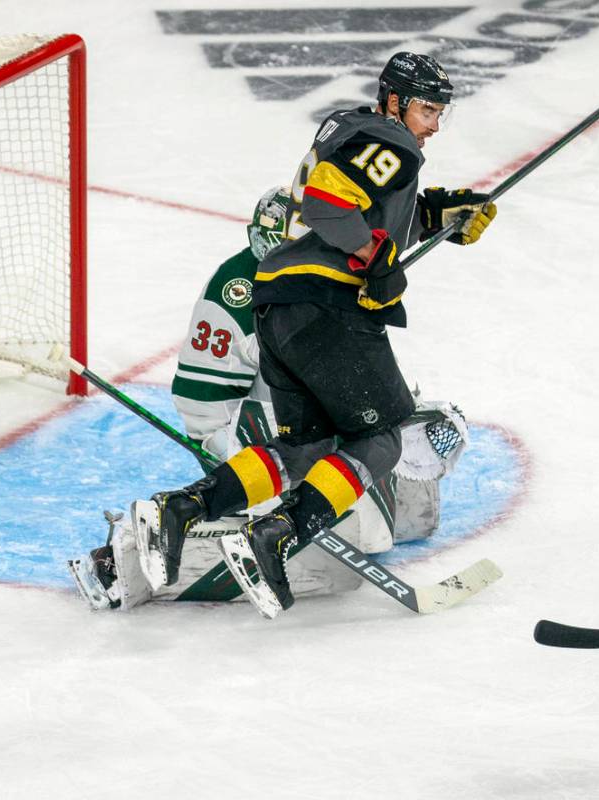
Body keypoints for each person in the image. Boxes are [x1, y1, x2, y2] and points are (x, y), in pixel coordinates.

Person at [130, 51, 497, 617]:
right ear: (395, 100)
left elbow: (358, 201)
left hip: (278, 306)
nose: (434, 124)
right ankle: (273, 536)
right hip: (326, 307)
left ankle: (179, 510)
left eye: (441, 111)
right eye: (427, 109)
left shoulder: (354, 130)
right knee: (380, 439)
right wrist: (375, 257)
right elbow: (328, 202)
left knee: (305, 448)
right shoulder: (390, 141)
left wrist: (439, 217)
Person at [68, 186, 470, 611]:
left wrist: (429, 219)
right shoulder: (244, 292)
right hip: (243, 429)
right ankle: (150, 546)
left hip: (290, 416)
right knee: (353, 495)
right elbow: (200, 401)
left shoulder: (312, 271)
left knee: (375, 515)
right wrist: (232, 461)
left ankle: (237, 511)